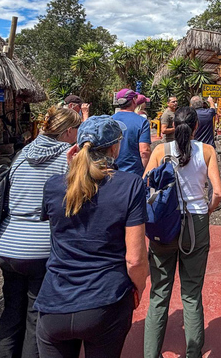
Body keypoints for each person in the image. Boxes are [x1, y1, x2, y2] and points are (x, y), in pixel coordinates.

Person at [35, 115, 148, 358]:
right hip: (105, 300)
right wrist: (138, 288)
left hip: (55, 300)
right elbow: (135, 259)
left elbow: (59, 233)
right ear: (115, 147)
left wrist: (71, 169)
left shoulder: (53, 185)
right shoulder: (130, 185)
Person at [0, 106, 81, 358]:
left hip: (7, 243)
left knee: (11, 311)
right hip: (40, 246)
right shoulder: (68, 157)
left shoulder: (23, 153)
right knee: (36, 317)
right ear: (69, 131)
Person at [142, 107, 221, 358]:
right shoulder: (207, 151)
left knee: (159, 293)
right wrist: (206, 211)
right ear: (196, 127)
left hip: (164, 225)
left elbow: (145, 187)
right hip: (195, 222)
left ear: (174, 125)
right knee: (191, 292)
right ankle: (193, 353)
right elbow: (218, 193)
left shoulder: (160, 151)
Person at [112, 88, 152, 176]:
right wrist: (144, 173)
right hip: (133, 173)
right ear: (134, 100)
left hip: (112, 172)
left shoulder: (110, 120)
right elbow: (144, 151)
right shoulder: (142, 122)